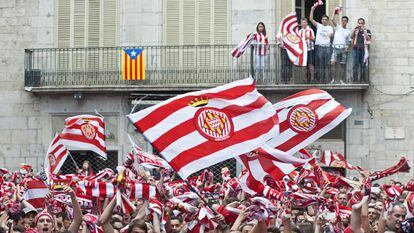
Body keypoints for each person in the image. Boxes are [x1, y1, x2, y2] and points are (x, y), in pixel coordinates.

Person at [310, 5, 334, 83]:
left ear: (327, 20)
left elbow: (331, 35)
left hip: (327, 47)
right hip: (319, 47)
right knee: (319, 63)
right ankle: (319, 80)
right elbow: (311, 19)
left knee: (327, 64)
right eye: (323, 19)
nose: (324, 21)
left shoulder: (330, 27)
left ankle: (327, 80)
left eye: (326, 19)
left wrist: (330, 36)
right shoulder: (319, 26)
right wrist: (312, 10)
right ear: (321, 20)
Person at [331, 14, 351, 84]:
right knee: (333, 63)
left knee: (342, 65)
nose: (343, 22)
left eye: (345, 21)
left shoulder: (348, 31)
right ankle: (333, 79)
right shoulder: (338, 27)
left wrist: (347, 47)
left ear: (347, 22)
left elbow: (349, 41)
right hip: (335, 48)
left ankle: (341, 80)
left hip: (343, 49)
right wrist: (334, 13)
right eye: (342, 21)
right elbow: (332, 20)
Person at [351, 18, 371, 83]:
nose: (360, 24)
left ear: (364, 24)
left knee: (363, 65)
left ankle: (362, 80)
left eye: (361, 23)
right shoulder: (356, 30)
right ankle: (355, 80)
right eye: (359, 23)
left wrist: (364, 31)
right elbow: (351, 36)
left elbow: (369, 39)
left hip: (363, 50)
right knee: (355, 65)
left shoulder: (367, 31)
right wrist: (354, 29)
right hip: (355, 49)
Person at [299, 18, 315, 83]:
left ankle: (312, 79)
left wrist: (308, 37)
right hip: (303, 50)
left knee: (310, 64)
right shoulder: (300, 31)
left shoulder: (310, 30)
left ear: (307, 23)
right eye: (302, 22)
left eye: (304, 22)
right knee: (303, 65)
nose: (303, 24)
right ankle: (304, 79)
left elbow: (313, 39)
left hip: (310, 49)